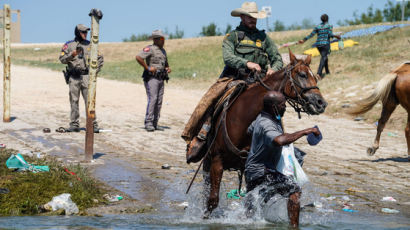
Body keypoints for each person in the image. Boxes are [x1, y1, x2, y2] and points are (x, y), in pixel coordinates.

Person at [182, 2, 283, 163]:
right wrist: (247, 63)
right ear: (242, 17)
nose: (253, 20)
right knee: (211, 100)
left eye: (255, 17)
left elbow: (276, 57)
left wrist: (274, 68)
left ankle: (278, 141)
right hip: (234, 78)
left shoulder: (264, 38)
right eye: (249, 17)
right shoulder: (233, 36)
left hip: (259, 81)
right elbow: (228, 57)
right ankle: (201, 135)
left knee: (277, 104)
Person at [244, 91, 320, 227]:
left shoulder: (262, 118)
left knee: (254, 210)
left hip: (252, 169)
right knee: (294, 190)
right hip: (262, 171)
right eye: (283, 105)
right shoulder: (267, 123)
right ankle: (294, 227)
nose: (285, 107)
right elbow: (279, 140)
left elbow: (249, 130)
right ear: (274, 107)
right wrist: (304, 132)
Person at [59, 24, 104, 133]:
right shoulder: (69, 45)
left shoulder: (91, 45)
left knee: (89, 101)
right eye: (83, 32)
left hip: (86, 76)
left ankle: (92, 124)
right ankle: (74, 124)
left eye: (86, 32)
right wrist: (72, 54)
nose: (85, 34)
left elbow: (100, 59)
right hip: (74, 77)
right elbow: (62, 59)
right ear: (77, 33)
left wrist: (94, 72)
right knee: (74, 100)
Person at [136, 30, 171, 132]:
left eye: (163, 38)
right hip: (151, 78)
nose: (163, 40)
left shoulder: (163, 51)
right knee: (153, 99)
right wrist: (147, 68)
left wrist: (168, 68)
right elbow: (138, 57)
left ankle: (155, 123)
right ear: (155, 40)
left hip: (161, 78)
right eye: (161, 38)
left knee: (159, 101)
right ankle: (149, 122)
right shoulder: (150, 49)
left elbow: (166, 64)